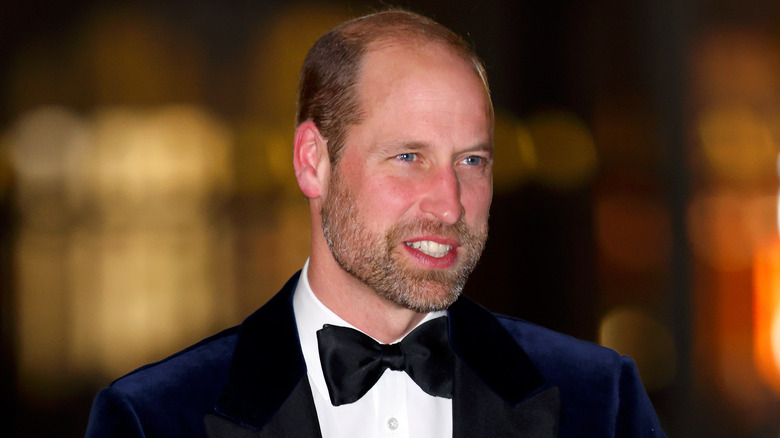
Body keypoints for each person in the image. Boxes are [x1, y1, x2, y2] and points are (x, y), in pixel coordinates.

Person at [85, 9, 666, 438]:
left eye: (472, 161)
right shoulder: (152, 420)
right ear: (313, 161)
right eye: (408, 157)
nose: (450, 206)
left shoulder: (601, 403)